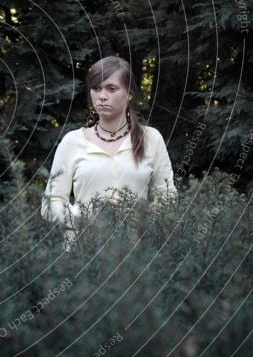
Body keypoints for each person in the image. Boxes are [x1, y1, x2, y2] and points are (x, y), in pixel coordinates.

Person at [40, 56, 177, 251]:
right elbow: (50, 203)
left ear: (129, 93)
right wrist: (85, 215)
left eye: (111, 89)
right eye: (96, 89)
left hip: (137, 257)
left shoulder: (151, 139)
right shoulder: (72, 142)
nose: (102, 96)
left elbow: (168, 196)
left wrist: (140, 215)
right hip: (82, 255)